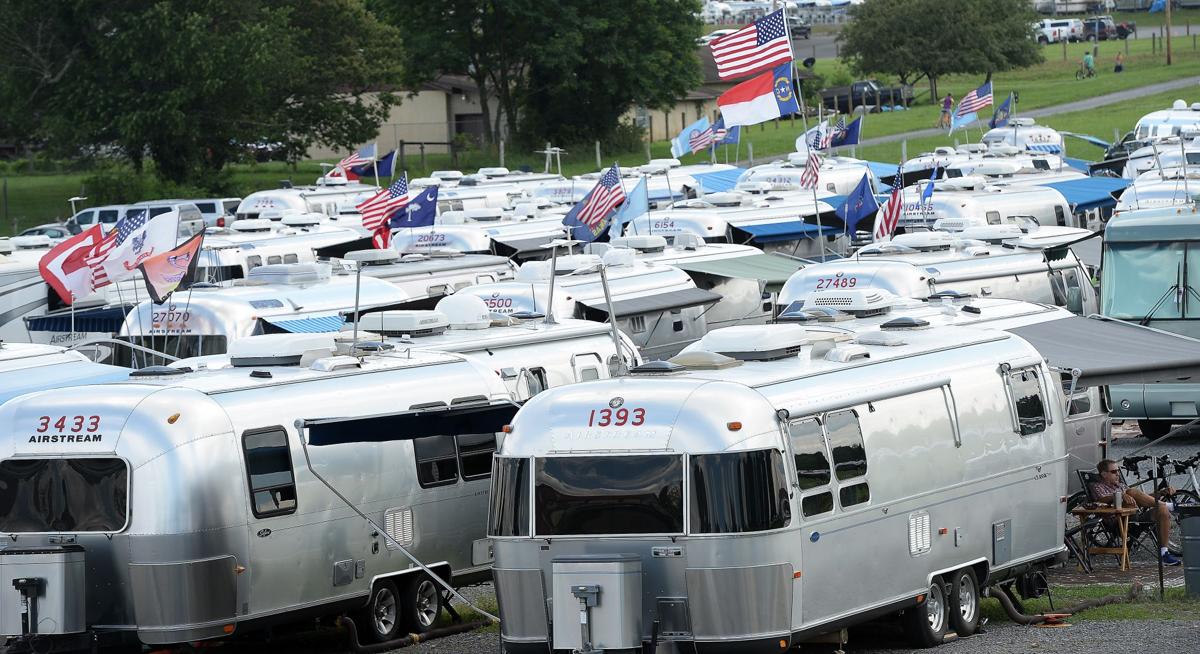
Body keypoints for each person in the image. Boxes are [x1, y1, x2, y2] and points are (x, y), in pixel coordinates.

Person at [1090, 459, 1180, 566]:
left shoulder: (1120, 485)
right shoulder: (1097, 486)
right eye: (1114, 472)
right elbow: (1101, 500)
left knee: (1161, 510)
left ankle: (1164, 553)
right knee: (1131, 491)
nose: (1118, 474)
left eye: (1118, 471)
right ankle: (1171, 506)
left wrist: (1160, 493)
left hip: (1135, 517)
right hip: (1119, 522)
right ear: (1104, 474)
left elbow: (1142, 499)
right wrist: (1120, 496)